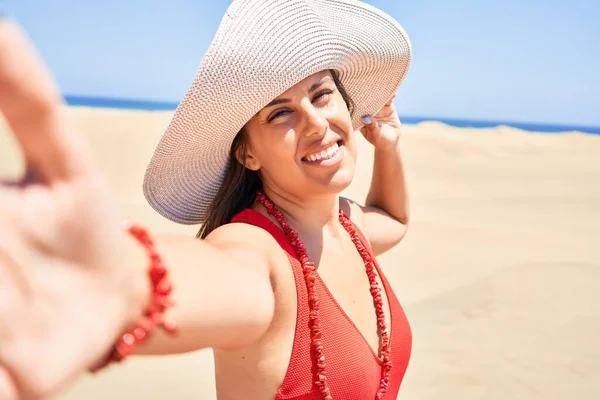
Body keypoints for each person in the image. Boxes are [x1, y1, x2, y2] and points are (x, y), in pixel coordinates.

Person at [0, 0, 413, 399]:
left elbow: (393, 220)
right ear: (247, 153)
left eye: (321, 94)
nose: (316, 122)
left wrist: (388, 148)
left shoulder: (346, 226)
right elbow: (219, 282)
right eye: (279, 114)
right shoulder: (254, 250)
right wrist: (117, 282)